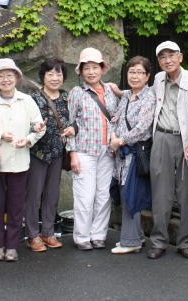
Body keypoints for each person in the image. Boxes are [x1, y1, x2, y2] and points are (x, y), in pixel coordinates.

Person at [0, 58, 46, 263]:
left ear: (16, 77)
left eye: (9, 75)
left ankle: (13, 246)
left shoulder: (26, 100)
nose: (5, 79)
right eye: (1, 76)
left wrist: (29, 139)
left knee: (16, 207)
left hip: (19, 161)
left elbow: (39, 127)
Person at [147, 41, 188, 260]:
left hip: (186, 140)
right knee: (160, 193)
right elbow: (144, 95)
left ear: (181, 57)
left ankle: (186, 242)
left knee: (186, 193)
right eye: (162, 57)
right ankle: (159, 241)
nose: (167, 60)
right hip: (161, 137)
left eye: (171, 55)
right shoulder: (158, 79)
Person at [66, 47, 118, 250]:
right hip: (84, 150)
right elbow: (69, 125)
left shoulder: (110, 91)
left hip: (107, 151)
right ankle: (82, 237)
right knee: (84, 196)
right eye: (86, 68)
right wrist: (72, 154)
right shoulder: (76, 93)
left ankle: (98, 235)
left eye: (95, 67)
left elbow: (115, 118)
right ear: (81, 71)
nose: (91, 72)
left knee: (103, 195)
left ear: (102, 69)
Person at [25, 58, 77, 252]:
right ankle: (32, 235)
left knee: (52, 194)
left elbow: (76, 120)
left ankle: (48, 232)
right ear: (43, 76)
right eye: (50, 74)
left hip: (58, 153)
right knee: (33, 194)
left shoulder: (67, 97)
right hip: (37, 153)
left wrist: (73, 128)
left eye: (59, 74)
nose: (55, 78)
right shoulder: (33, 98)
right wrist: (35, 127)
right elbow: (26, 123)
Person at [109, 56, 155, 254]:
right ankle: (136, 236)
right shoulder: (126, 95)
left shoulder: (149, 97)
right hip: (121, 155)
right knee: (125, 193)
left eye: (139, 72)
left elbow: (142, 127)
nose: (135, 76)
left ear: (147, 76)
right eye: (131, 72)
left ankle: (130, 241)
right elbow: (116, 119)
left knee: (131, 195)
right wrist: (113, 136)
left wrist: (120, 141)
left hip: (135, 153)